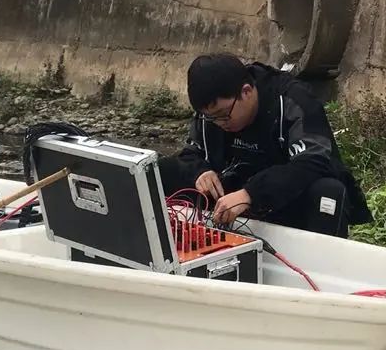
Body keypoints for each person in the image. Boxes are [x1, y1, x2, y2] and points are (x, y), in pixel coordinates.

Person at [158, 53, 372, 237]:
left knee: (328, 191)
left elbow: (314, 162)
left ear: (246, 92)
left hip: (284, 196)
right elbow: (191, 154)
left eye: (224, 115)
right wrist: (199, 172)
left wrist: (251, 194)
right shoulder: (212, 115)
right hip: (230, 193)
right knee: (159, 170)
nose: (221, 124)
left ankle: (318, 273)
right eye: (210, 118)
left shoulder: (293, 100)